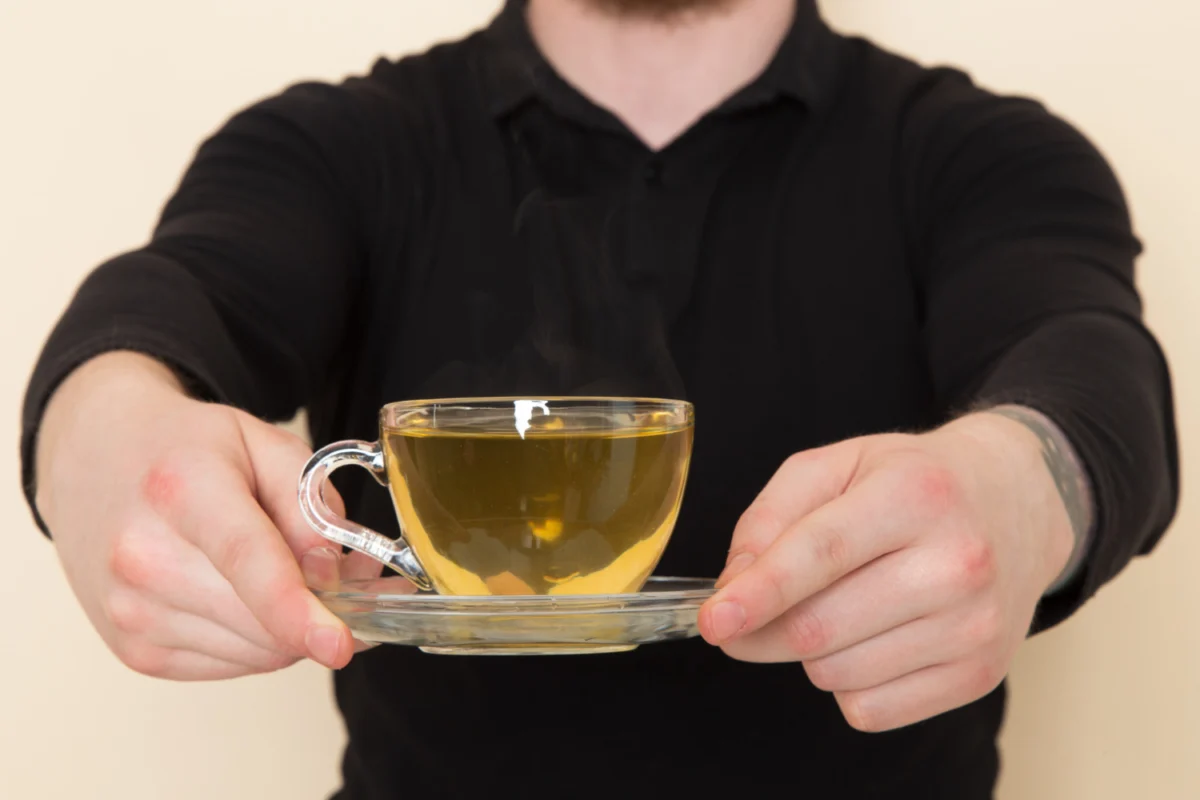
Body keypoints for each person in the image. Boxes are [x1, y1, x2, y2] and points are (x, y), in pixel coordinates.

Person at [22, 0, 1178, 797]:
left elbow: (1086, 358)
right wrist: (99, 434)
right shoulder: (334, 150)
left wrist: (1028, 484)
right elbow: (172, 295)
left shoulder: (988, 156)